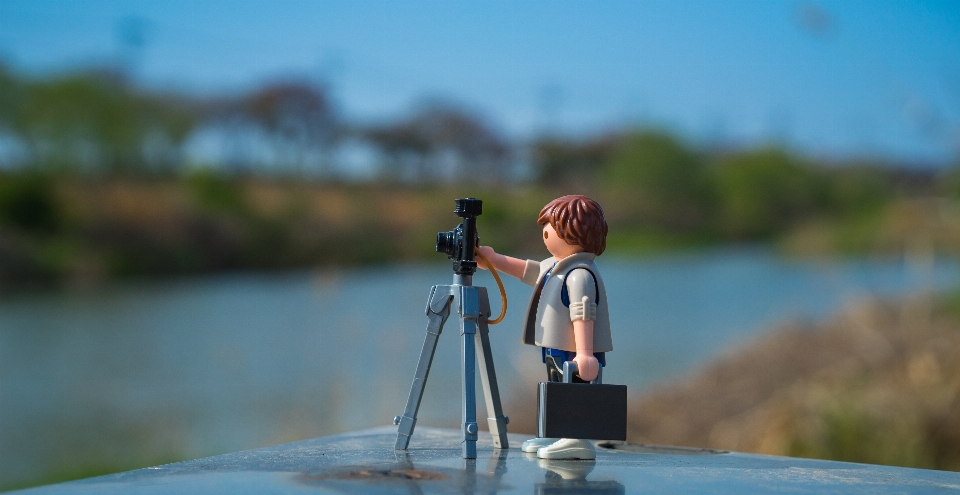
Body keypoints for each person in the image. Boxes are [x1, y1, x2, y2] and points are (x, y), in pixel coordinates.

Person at [477, 195, 611, 460]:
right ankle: (559, 433)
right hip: (555, 345)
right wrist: (494, 259)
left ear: (574, 233)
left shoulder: (580, 273)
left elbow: (584, 312)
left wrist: (585, 353)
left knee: (573, 390)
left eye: (551, 227)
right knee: (556, 386)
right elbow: (530, 271)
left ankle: (576, 439)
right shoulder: (557, 266)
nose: (545, 233)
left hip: (574, 350)